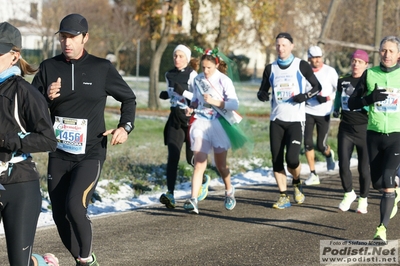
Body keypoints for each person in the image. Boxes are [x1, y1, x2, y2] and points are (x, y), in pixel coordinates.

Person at [31, 14, 136, 265]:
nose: (67, 42)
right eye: (63, 37)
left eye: (73, 37)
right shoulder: (48, 67)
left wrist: (125, 127)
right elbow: (31, 108)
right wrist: (46, 97)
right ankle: (83, 260)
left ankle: (86, 259)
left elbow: (129, 99)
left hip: (90, 152)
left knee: (75, 207)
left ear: (85, 38)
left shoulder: (102, 68)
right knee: (59, 214)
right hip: (59, 152)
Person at [0, 22, 59, 266]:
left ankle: (38, 263)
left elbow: (48, 139)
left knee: (18, 263)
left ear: (15, 55)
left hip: (19, 184)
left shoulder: (24, 91)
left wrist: (7, 141)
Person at [257, 33, 321, 209]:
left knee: (292, 159)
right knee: (277, 160)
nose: (280, 48)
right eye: (278, 45)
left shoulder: (301, 65)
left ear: (291, 46)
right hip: (276, 120)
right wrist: (261, 94)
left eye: (284, 45)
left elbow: (317, 87)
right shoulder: (270, 68)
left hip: (295, 120)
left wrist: (304, 96)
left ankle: (296, 181)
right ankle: (283, 196)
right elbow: (263, 90)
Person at [348, 36, 400, 243]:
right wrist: (370, 99)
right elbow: (352, 102)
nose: (386, 54)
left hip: (397, 134)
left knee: (387, 179)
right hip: (374, 134)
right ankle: (394, 193)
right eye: (383, 50)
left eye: (390, 51)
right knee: (378, 182)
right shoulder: (369, 75)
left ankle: (381, 229)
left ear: (398, 54)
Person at [182, 47, 241, 214]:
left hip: (218, 124)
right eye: (203, 67)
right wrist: (191, 108)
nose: (205, 71)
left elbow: (234, 104)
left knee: (221, 165)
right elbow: (195, 100)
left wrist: (216, 102)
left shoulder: (224, 81)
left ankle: (229, 190)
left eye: (209, 67)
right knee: (199, 163)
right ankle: (193, 199)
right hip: (200, 122)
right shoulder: (198, 79)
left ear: (216, 65)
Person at [158, 44, 210, 209]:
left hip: (191, 120)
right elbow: (174, 94)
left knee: (190, 159)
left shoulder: (192, 74)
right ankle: (170, 194)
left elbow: (198, 97)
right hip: (175, 119)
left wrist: (184, 94)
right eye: (175, 56)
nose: (177, 59)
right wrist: (167, 95)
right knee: (172, 156)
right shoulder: (168, 74)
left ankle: (203, 179)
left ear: (187, 59)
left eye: (181, 56)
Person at [334, 50, 370, 213]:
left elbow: (373, 100)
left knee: (363, 168)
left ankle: (363, 199)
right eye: (354, 61)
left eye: (359, 61)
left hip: (364, 129)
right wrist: (335, 108)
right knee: (343, 164)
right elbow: (337, 97)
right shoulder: (343, 81)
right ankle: (349, 193)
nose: (355, 64)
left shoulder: (369, 82)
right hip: (346, 128)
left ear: (365, 65)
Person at [303, 46, 338, 186]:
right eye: (314, 57)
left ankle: (329, 154)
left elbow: (338, 90)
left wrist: (327, 98)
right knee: (307, 142)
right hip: (307, 111)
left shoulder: (330, 71)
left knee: (320, 145)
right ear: (309, 58)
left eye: (319, 57)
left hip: (324, 112)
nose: (317, 60)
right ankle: (313, 173)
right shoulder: (304, 72)